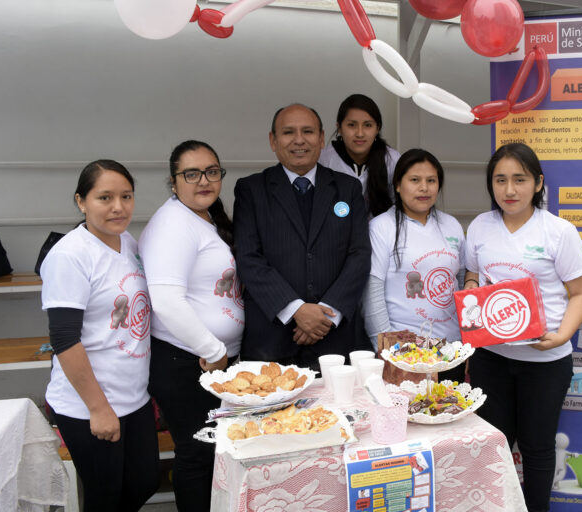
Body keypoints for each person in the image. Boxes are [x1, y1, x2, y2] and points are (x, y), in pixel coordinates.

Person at [464, 143, 582, 512]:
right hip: (492, 358)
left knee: (537, 448)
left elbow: (581, 293)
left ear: (538, 183)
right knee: (494, 444)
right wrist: (472, 290)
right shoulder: (480, 227)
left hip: (546, 361)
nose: (509, 190)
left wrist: (562, 335)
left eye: (519, 180)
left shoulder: (558, 231)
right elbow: (474, 275)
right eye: (500, 180)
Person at [41, 160, 159, 511]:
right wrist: (98, 408)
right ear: (81, 201)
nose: (118, 207)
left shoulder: (128, 242)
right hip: (88, 404)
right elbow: (64, 339)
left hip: (133, 397)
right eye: (104, 197)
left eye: (126, 196)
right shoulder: (70, 255)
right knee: (105, 497)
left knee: (144, 482)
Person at [138, 140, 243, 511]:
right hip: (187, 362)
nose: (204, 181)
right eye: (192, 173)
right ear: (173, 180)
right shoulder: (173, 225)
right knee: (198, 455)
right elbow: (166, 301)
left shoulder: (205, 217)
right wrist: (214, 351)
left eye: (212, 172)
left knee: (214, 454)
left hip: (209, 361)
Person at [233, 103, 372, 370]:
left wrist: (326, 315)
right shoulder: (251, 190)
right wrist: (296, 310)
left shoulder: (347, 189)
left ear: (321, 139)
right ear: (273, 141)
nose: (299, 140)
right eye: (288, 132)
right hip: (272, 341)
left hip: (336, 339)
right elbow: (249, 257)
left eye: (308, 131)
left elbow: (359, 255)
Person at [363, 148, 466, 382]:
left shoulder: (451, 225)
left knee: (449, 415)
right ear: (398, 185)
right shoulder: (382, 227)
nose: (424, 188)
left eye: (431, 180)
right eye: (415, 180)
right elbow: (372, 293)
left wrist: (465, 341)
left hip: (451, 350)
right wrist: (389, 350)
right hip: (404, 351)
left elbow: (461, 284)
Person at [319, 93, 400, 218]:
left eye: (368, 125)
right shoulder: (323, 160)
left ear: (377, 128)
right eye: (352, 125)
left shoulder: (392, 160)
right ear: (339, 128)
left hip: (380, 234)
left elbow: (400, 207)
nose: (360, 133)